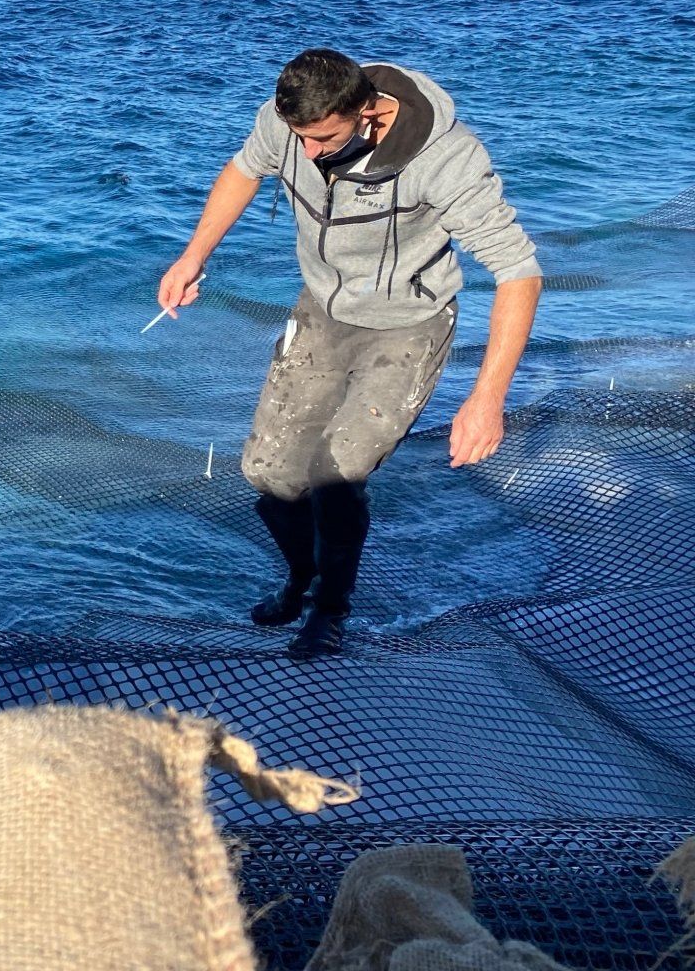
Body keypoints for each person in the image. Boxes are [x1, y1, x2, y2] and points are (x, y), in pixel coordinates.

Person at [156, 50, 541, 660]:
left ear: (367, 111)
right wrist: (192, 256)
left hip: (407, 327)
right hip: (322, 311)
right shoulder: (286, 122)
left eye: (325, 139)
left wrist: (486, 400)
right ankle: (301, 580)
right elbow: (244, 169)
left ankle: (330, 609)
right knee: (271, 476)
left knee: (335, 475)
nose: (309, 152)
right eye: (300, 138)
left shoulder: (445, 158)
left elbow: (519, 272)